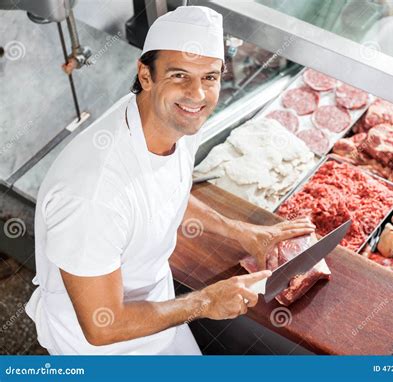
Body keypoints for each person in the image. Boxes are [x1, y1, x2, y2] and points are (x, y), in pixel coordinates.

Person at [25, 6, 315, 355]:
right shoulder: (93, 194)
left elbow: (162, 195)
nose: (197, 94)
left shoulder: (174, 119)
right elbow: (103, 326)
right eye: (179, 75)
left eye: (210, 77)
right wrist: (205, 302)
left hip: (158, 308)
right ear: (145, 75)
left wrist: (244, 232)